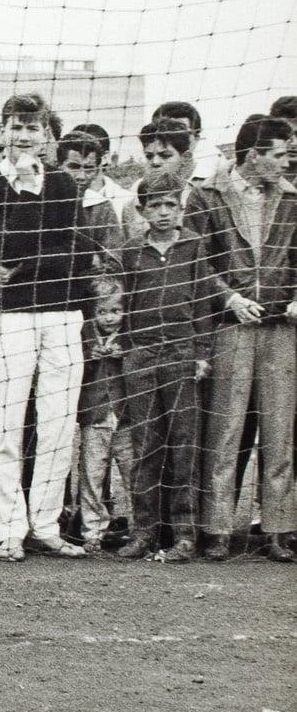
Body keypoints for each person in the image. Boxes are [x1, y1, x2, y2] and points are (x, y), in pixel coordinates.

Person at [0, 92, 91, 562]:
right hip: (6, 319)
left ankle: (46, 524)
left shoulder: (63, 184)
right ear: (1, 133)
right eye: (15, 125)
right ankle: (10, 530)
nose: (22, 135)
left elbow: (69, 253)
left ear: (46, 136)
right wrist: (21, 188)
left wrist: (20, 268)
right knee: (4, 426)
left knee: (58, 425)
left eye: (33, 127)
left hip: (61, 314)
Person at [108, 174, 221, 562]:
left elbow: (204, 304)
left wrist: (202, 352)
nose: (162, 212)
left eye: (170, 205)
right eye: (154, 205)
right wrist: (122, 346)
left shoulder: (193, 246)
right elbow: (121, 305)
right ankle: (143, 532)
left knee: (184, 445)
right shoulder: (130, 252)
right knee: (145, 446)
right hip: (140, 357)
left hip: (181, 355)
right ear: (141, 210)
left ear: (181, 209)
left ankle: (184, 534)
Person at [199, 115, 295, 563]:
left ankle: (278, 528)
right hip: (231, 328)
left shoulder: (293, 200)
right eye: (278, 154)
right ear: (252, 155)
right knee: (225, 430)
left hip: (281, 332)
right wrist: (230, 299)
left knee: (279, 430)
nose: (286, 162)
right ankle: (216, 528)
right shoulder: (207, 195)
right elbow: (197, 262)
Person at [74, 277, 131, 553]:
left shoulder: (130, 334)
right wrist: (88, 356)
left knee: (133, 472)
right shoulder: (83, 333)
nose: (109, 318)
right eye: (102, 312)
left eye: (115, 311)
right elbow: (74, 370)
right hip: (94, 415)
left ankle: (140, 527)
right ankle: (92, 531)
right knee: (92, 474)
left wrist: (126, 356)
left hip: (125, 415)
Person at [54, 131, 125, 275]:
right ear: (59, 165)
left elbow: (114, 262)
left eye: (88, 169)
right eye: (74, 167)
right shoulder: (40, 200)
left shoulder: (101, 207)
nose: (81, 176)